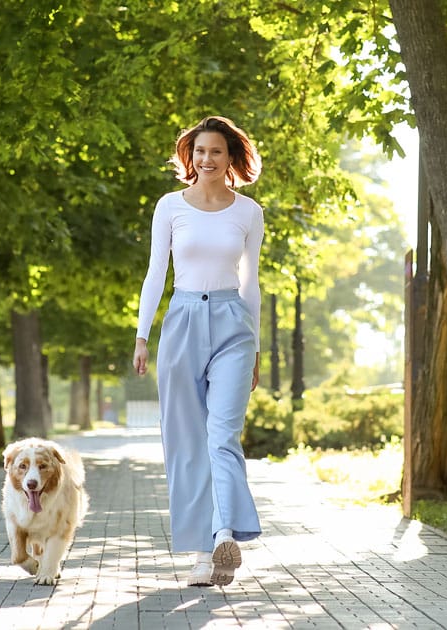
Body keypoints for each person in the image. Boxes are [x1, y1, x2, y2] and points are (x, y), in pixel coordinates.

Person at [133, 115, 264, 587]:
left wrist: (257, 348)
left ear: (231, 159)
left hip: (233, 325)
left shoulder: (248, 212)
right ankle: (200, 556)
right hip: (183, 322)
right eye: (200, 151)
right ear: (190, 157)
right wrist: (142, 335)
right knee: (187, 443)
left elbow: (250, 283)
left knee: (222, 436)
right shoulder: (170, 206)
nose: (206, 159)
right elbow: (155, 274)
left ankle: (223, 533)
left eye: (216, 152)